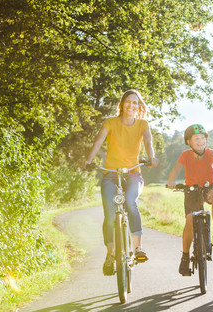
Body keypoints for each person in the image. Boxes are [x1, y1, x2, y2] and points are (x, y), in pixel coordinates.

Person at [81, 89, 159, 276]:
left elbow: (148, 141)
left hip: (132, 174)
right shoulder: (110, 122)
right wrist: (88, 160)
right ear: (122, 104)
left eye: (135, 103)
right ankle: (110, 255)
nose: (131, 106)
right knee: (109, 213)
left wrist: (151, 157)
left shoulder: (142, 124)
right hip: (110, 174)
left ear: (139, 107)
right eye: (128, 102)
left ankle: (138, 248)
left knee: (130, 203)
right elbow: (99, 140)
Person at [167, 124, 213, 276]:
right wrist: (171, 181)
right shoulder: (185, 155)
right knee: (190, 219)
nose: (200, 141)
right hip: (191, 190)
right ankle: (185, 257)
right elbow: (177, 169)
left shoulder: (210, 153)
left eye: (203, 138)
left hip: (207, 188)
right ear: (188, 142)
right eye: (196, 139)